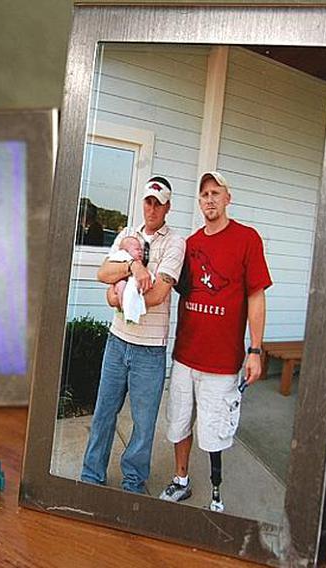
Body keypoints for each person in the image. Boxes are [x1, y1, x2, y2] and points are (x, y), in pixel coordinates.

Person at [159, 170, 272, 512]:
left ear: (227, 198)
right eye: (204, 194)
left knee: (215, 430)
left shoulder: (247, 239)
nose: (209, 199)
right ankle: (181, 479)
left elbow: (256, 295)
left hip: (222, 362)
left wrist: (255, 349)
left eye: (215, 193)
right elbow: (167, 285)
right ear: (200, 201)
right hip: (185, 356)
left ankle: (216, 489)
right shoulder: (190, 245)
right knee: (179, 422)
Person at [79, 175, 185, 494]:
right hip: (117, 341)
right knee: (103, 413)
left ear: (167, 206)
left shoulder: (175, 243)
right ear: (143, 203)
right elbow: (103, 274)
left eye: (158, 202)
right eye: (148, 201)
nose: (151, 208)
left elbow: (156, 295)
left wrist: (119, 296)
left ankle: (133, 482)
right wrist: (134, 269)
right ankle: (91, 475)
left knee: (143, 423)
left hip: (149, 350)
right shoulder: (126, 234)